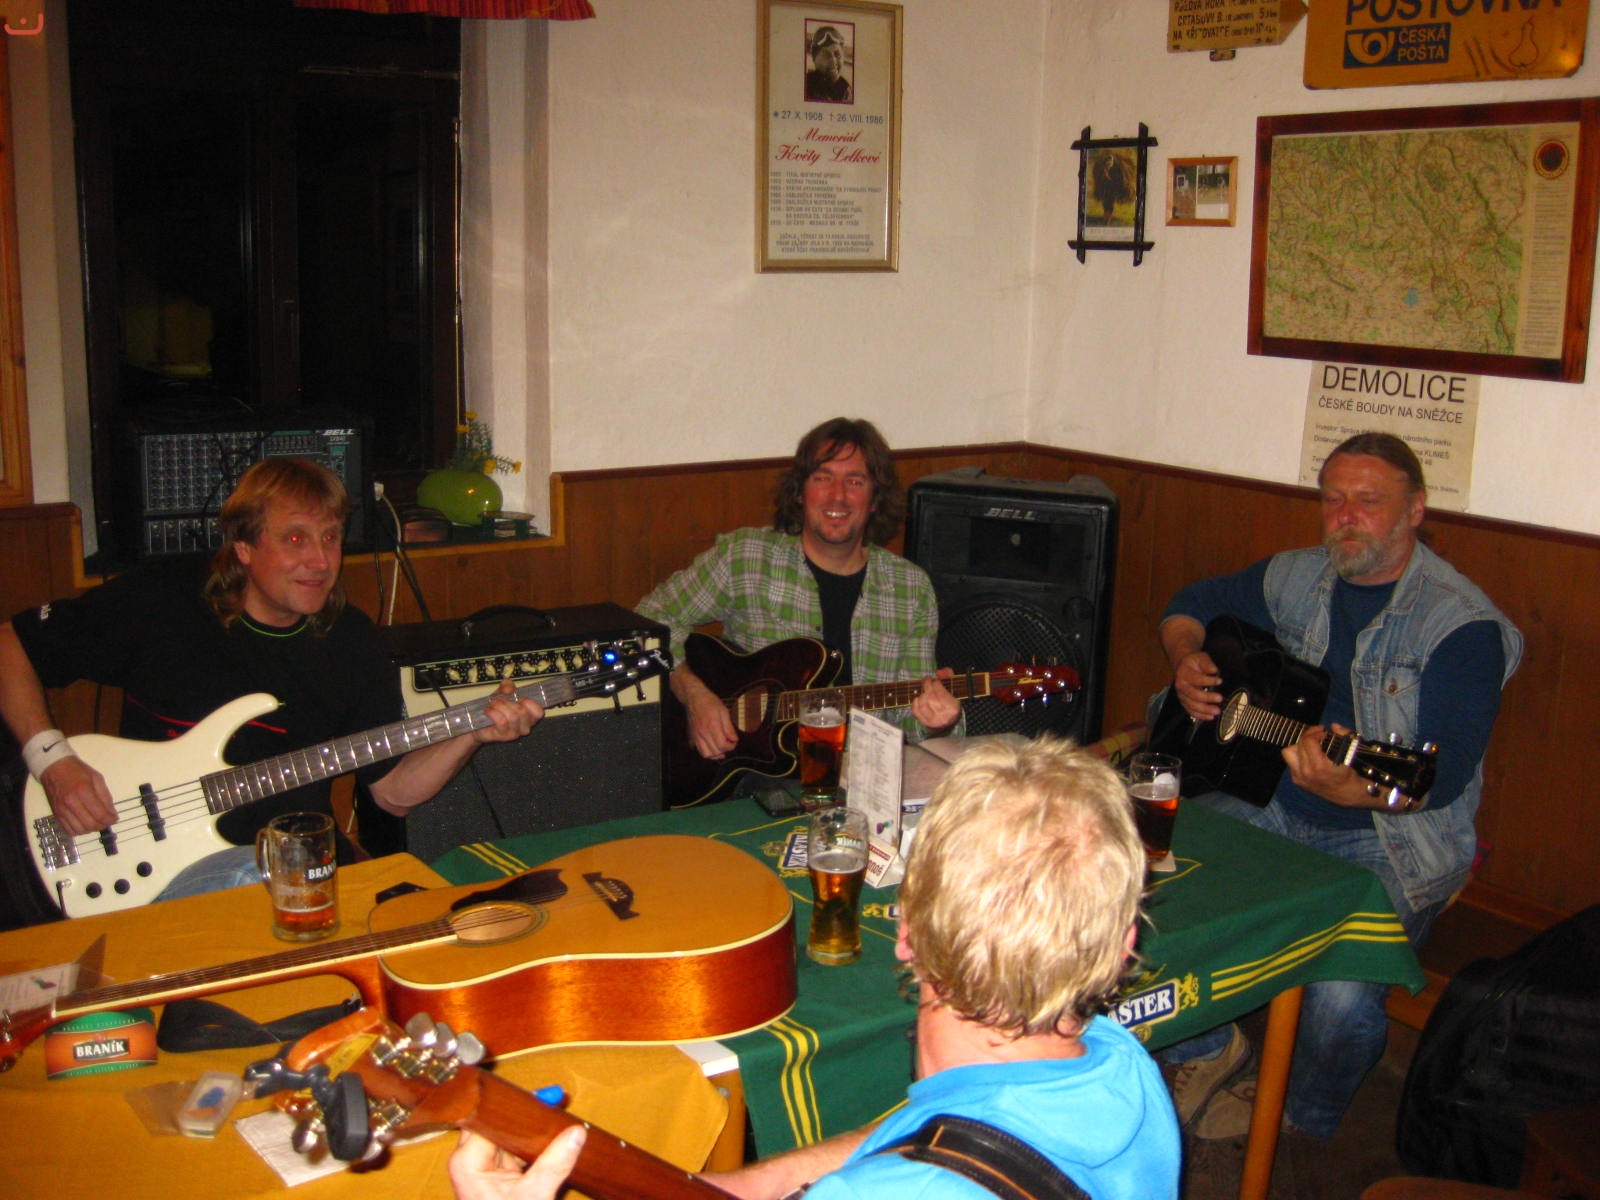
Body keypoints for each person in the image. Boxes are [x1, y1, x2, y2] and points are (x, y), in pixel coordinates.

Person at [448, 737, 1182, 1200]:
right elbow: (935, 1137)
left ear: (906, 932)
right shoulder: (1122, 1064)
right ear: (1121, 947)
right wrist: (742, 1186)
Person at [1156, 431, 1522, 1140]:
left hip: (1392, 835)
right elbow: (1191, 601)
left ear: (1415, 510)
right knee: (1154, 882)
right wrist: (1185, 655)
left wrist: (1355, 792)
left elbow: (1441, 776)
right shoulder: (1298, 574)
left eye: (1368, 501)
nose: (1345, 517)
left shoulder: (1462, 625)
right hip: (1270, 797)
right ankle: (1211, 1045)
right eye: (1332, 499)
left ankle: (1300, 1116)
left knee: (1341, 994)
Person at [0, 457, 543, 901]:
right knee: (259, 881)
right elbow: (10, 644)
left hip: (294, 867)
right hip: (156, 866)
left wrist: (471, 732)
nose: (320, 560)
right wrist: (54, 763)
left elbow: (395, 794)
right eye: (295, 539)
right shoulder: (162, 601)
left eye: (330, 537)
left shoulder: (352, 643)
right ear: (244, 547)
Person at [636, 417, 961, 766]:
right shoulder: (745, 558)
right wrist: (695, 697)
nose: (838, 496)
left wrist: (939, 723)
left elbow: (911, 722)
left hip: (864, 773)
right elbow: (646, 622)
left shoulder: (910, 589)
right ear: (800, 491)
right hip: (747, 774)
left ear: (875, 500)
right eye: (823, 478)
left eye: (855, 481)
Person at [804, 25, 852, 104]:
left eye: (837, 54)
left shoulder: (847, 92)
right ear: (814, 59)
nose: (833, 61)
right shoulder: (805, 86)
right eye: (826, 55)